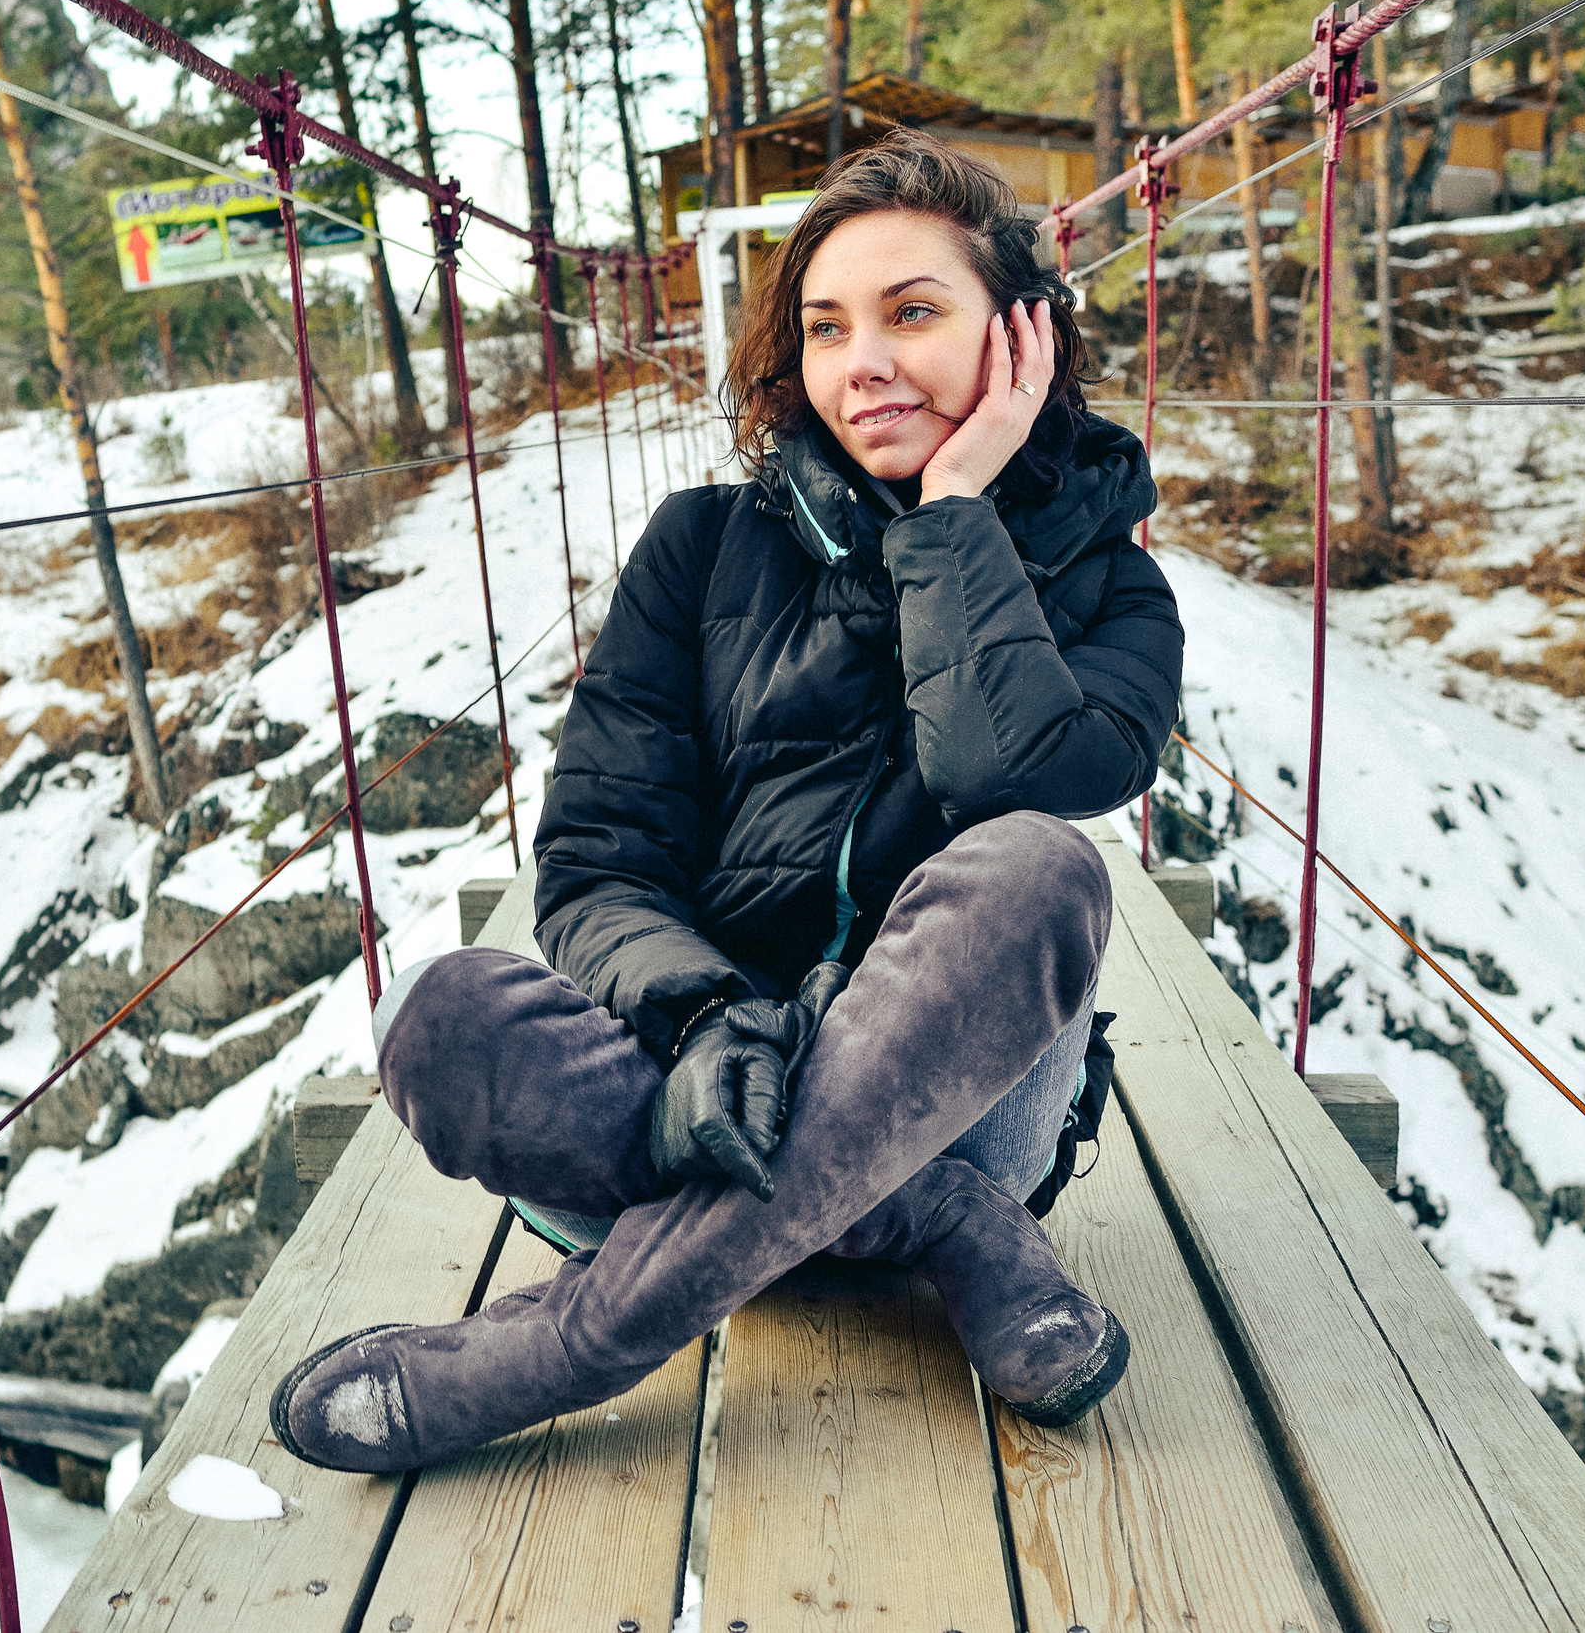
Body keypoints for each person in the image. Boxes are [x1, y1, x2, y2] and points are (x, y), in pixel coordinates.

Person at [271, 130, 1184, 1475]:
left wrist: (950, 517)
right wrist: (703, 1019)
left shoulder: (1116, 588)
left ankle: (571, 1340)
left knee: (1042, 872)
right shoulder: (700, 549)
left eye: (913, 312)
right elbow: (596, 860)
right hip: (694, 1077)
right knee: (436, 1018)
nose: (862, 359)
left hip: (963, 1095)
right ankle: (926, 1222)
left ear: (1021, 336)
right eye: (825, 327)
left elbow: (1007, 779)